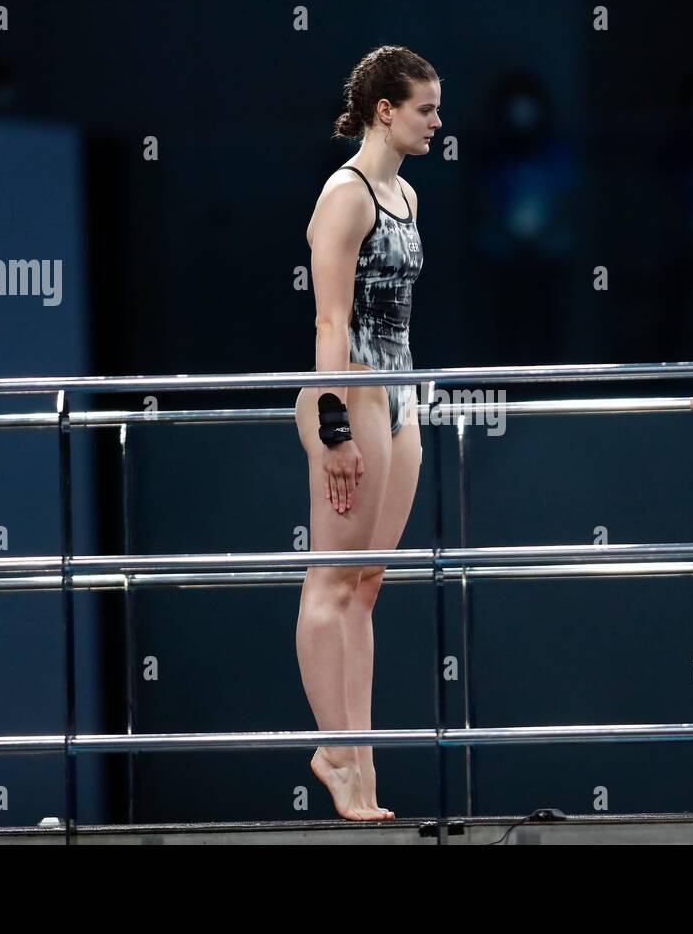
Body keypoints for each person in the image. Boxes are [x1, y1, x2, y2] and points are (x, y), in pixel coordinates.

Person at [294, 45, 440, 820]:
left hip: (401, 385)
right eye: (425, 109)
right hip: (352, 386)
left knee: (368, 584)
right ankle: (336, 756)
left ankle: (359, 761)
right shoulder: (346, 196)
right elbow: (329, 318)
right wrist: (334, 422)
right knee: (330, 580)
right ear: (386, 110)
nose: (437, 123)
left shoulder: (408, 196)